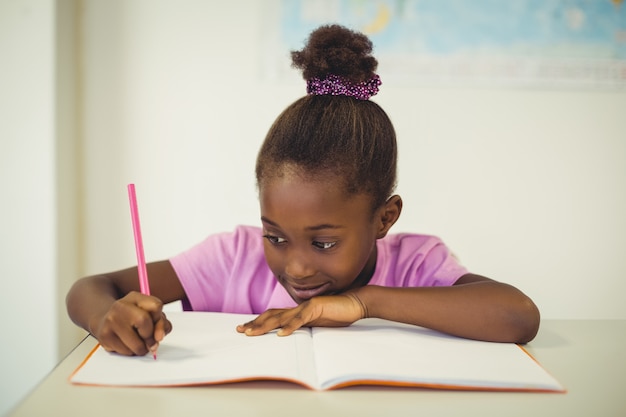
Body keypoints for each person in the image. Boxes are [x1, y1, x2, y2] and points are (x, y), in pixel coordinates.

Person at [66, 24, 540, 357]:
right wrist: (107, 318)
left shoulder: (417, 263)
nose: (295, 266)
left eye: (324, 242)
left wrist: (363, 302)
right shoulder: (229, 260)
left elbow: (517, 315)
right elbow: (88, 289)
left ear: (384, 218)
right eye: (275, 236)